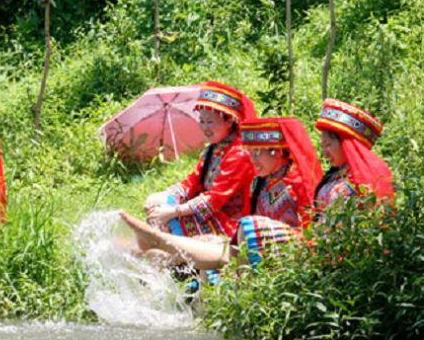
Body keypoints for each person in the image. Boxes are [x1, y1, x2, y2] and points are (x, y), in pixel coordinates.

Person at [120, 116, 322, 271]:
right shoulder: (260, 180)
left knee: (249, 228)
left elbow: (311, 229)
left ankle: (158, 241)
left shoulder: (296, 182)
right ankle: (152, 251)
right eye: (251, 153)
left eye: (258, 153)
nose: (253, 160)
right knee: (210, 242)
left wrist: (173, 212)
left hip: (282, 248)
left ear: (276, 151)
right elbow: (191, 182)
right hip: (250, 244)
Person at [143, 81, 258, 239]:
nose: (204, 127)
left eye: (210, 122)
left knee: (170, 220)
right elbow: (193, 180)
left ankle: (173, 255)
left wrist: (172, 212)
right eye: (202, 121)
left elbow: (215, 199)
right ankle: (169, 251)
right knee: (154, 202)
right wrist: (169, 196)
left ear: (229, 121)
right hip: (207, 208)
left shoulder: (239, 154)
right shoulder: (214, 148)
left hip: (227, 220)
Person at [313, 99, 394, 212]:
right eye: (323, 146)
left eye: (328, 145)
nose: (325, 153)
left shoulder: (363, 179)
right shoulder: (334, 175)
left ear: (344, 143)